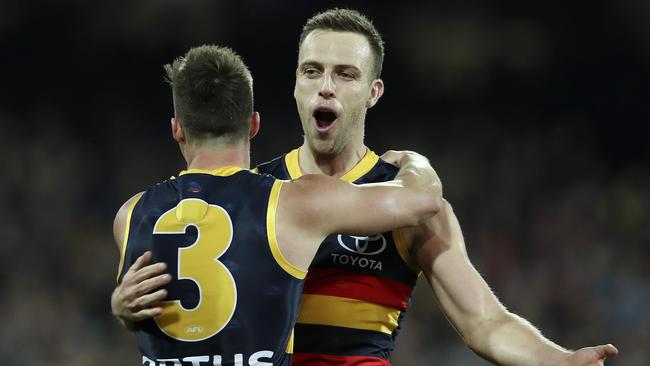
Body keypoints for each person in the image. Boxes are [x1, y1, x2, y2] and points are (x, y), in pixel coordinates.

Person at [112, 9, 619, 366]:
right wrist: (122, 307)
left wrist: (559, 360)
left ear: (373, 92)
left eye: (345, 74)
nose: (325, 86)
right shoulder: (257, 193)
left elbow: (485, 323)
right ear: (294, 84)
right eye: (312, 71)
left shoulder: (405, 205)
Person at [112, 44, 442, 365]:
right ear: (253, 125)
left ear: (177, 130)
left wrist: (119, 307)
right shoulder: (292, 202)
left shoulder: (131, 216)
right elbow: (424, 199)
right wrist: (412, 160)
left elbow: (147, 310)